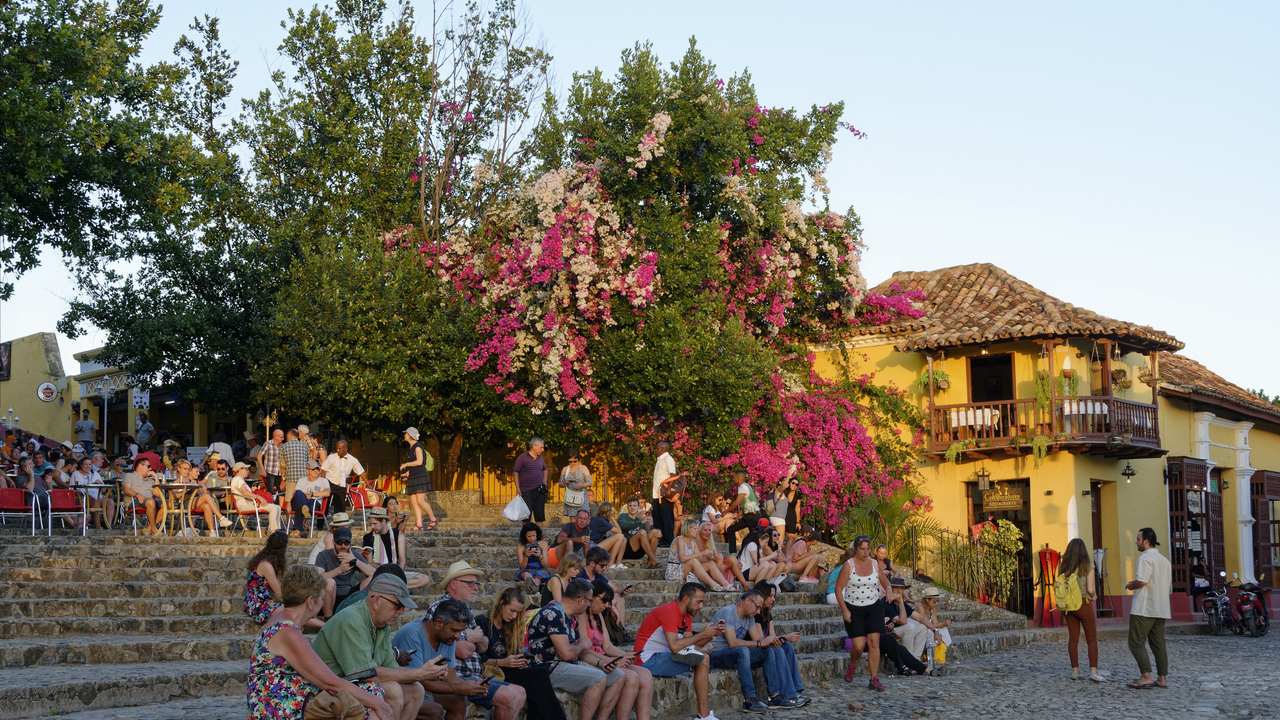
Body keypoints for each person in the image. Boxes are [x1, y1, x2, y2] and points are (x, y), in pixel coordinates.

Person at [247, 564, 395, 720]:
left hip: (283, 697)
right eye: (322, 597)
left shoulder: (282, 621)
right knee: (370, 701)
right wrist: (380, 704)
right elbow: (330, 683)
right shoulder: (287, 632)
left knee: (369, 691)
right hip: (275, 708)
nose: (323, 603)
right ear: (310, 601)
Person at [313, 573, 446, 720]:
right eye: (398, 605)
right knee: (392, 690)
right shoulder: (352, 619)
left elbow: (391, 668)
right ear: (376, 601)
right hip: (326, 691)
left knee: (416, 690)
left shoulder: (382, 624)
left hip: (350, 685)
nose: (401, 612)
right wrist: (420, 673)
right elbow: (365, 673)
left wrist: (427, 671)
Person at [392, 598, 526, 720]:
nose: (458, 636)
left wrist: (471, 686)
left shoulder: (447, 637)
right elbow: (417, 679)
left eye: (461, 631)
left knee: (459, 700)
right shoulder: (411, 634)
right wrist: (459, 688)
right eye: (455, 631)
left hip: (424, 684)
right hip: (406, 686)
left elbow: (450, 676)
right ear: (439, 623)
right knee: (434, 709)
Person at [427, 561, 526, 719]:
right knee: (507, 695)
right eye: (470, 583)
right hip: (457, 677)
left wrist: (477, 638)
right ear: (453, 583)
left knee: (520, 693)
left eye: (476, 583)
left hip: (476, 675)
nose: (476, 588)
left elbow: (483, 645)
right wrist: (474, 638)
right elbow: (463, 651)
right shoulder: (441, 609)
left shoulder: (465, 610)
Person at [526, 577, 626, 720]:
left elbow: (581, 653)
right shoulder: (553, 613)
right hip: (547, 668)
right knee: (598, 679)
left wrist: (600, 663)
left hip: (567, 664)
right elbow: (567, 653)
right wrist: (582, 645)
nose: (590, 605)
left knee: (618, 676)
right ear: (580, 600)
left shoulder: (571, 617)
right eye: (589, 601)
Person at [633, 582, 726, 720]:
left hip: (662, 656)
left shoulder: (686, 615)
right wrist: (702, 634)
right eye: (699, 602)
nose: (701, 606)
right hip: (646, 661)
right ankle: (703, 716)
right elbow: (675, 647)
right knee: (703, 659)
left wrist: (712, 634)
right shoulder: (669, 611)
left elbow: (688, 645)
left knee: (704, 653)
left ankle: (703, 715)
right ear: (687, 599)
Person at [475, 586, 566, 720]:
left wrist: (518, 660)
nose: (514, 616)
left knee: (538, 682)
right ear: (501, 604)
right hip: (493, 672)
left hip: (508, 670)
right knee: (540, 677)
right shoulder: (483, 622)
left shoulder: (508, 626)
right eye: (512, 610)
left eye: (517, 613)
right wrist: (502, 662)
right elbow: (478, 658)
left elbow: (510, 655)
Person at [707, 588, 800, 712]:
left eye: (760, 608)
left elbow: (758, 640)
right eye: (757, 607)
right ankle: (749, 700)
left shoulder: (749, 617)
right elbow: (732, 643)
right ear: (747, 601)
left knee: (768, 652)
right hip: (716, 655)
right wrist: (759, 642)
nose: (758, 611)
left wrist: (776, 641)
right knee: (743, 650)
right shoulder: (728, 612)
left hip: (735, 654)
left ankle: (774, 696)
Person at [579, 580, 652, 720]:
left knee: (646, 674)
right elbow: (584, 651)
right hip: (593, 661)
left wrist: (625, 655)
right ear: (592, 597)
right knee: (631, 677)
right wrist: (612, 660)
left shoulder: (599, 615)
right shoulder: (581, 615)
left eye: (608, 602)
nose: (606, 606)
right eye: (604, 601)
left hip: (604, 657)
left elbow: (607, 646)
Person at [837, 534, 891, 691]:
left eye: (868, 549)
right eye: (862, 549)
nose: (866, 552)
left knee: (874, 642)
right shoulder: (849, 565)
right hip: (854, 608)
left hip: (874, 606)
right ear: (855, 549)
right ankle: (853, 663)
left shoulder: (874, 564)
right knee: (859, 646)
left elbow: (884, 580)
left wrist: (888, 589)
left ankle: (874, 679)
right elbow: (838, 589)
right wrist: (844, 609)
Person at [749, 581, 811, 704]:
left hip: (765, 648)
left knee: (786, 646)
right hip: (755, 650)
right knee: (777, 650)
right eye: (770, 596)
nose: (773, 599)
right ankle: (788, 695)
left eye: (774, 596)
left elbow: (772, 637)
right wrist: (784, 637)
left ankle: (797, 690)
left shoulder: (767, 613)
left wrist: (785, 639)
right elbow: (762, 640)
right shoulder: (754, 614)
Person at [1126, 527, 1171, 689]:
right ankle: (1162, 678)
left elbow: (1142, 581)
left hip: (1144, 608)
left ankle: (1146, 676)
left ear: (1146, 541)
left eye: (1138, 539)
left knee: (1135, 642)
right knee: (1158, 643)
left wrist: (1131, 585)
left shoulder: (1145, 559)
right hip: (1161, 607)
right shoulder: (1165, 560)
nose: (1136, 542)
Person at [1057, 538, 1102, 681]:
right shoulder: (1088, 566)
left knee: (1073, 639)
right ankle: (1093, 672)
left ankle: (1075, 670)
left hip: (1069, 607)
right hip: (1083, 604)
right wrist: (1094, 596)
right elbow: (1090, 589)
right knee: (1092, 639)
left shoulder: (1064, 567)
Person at [362, 507, 430, 590]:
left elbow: (402, 560)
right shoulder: (368, 537)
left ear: (383, 521)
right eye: (371, 524)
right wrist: (387, 570)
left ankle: (392, 585)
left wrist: (397, 573)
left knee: (424, 579)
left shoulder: (398, 535)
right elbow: (370, 563)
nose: (372, 526)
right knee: (373, 580)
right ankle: (395, 586)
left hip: (395, 573)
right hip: (378, 573)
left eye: (375, 524)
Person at [313, 526, 376, 615]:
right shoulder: (324, 555)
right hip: (327, 597)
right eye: (339, 542)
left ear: (350, 543)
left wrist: (355, 561)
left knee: (372, 579)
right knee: (330, 583)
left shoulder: (353, 555)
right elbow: (318, 577)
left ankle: (363, 615)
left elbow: (375, 573)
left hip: (348, 597)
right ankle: (328, 619)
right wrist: (339, 570)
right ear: (333, 542)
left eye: (346, 543)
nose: (343, 546)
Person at [670, 518, 732, 591]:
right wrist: (701, 553)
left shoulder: (693, 542)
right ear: (688, 529)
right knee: (694, 561)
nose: (697, 531)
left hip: (686, 569)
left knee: (710, 563)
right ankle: (714, 585)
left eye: (697, 529)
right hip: (674, 571)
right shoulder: (680, 539)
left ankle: (726, 584)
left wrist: (709, 557)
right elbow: (682, 558)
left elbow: (699, 560)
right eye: (695, 529)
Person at [245, 531, 289, 624]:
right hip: (258, 606)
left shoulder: (262, 561)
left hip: (260, 603)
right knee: (295, 611)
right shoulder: (266, 565)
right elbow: (279, 593)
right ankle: (325, 626)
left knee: (296, 611)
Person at [400, 427, 439, 531]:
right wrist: (407, 474)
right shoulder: (411, 447)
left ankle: (433, 519)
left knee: (420, 501)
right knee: (413, 501)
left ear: (410, 435)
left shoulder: (417, 446)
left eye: (406, 433)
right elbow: (415, 466)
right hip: (413, 476)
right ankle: (419, 525)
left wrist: (406, 464)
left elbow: (419, 462)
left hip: (420, 477)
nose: (404, 435)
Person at [230, 461, 282, 534]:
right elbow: (244, 492)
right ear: (240, 469)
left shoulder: (239, 479)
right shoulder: (238, 478)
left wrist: (252, 490)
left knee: (277, 507)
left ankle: (275, 531)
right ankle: (273, 533)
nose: (247, 471)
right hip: (244, 505)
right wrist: (258, 497)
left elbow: (244, 492)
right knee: (274, 508)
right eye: (246, 469)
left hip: (249, 503)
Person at [696, 520, 749, 589]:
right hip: (705, 568)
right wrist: (717, 566)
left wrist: (735, 563)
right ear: (699, 532)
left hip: (715, 567)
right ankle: (723, 584)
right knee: (719, 558)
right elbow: (697, 562)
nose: (708, 533)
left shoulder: (709, 544)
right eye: (705, 530)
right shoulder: (695, 543)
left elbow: (717, 557)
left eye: (709, 530)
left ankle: (744, 585)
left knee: (732, 559)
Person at [721, 471, 762, 555]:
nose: (733, 479)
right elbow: (745, 506)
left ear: (738, 478)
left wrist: (725, 512)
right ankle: (733, 553)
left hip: (753, 517)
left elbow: (736, 503)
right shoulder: (746, 486)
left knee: (754, 537)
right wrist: (737, 518)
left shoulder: (743, 487)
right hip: (748, 516)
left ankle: (758, 555)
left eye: (734, 477)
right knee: (731, 529)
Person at [322, 439, 366, 516]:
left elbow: (361, 471)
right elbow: (323, 469)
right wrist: (322, 482)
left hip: (341, 484)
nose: (337, 450)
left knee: (341, 507)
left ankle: (339, 524)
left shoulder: (352, 460)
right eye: (337, 448)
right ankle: (320, 525)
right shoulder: (331, 457)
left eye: (339, 448)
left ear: (345, 449)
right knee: (324, 504)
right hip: (329, 482)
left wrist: (367, 483)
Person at [617, 496, 663, 569]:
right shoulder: (622, 517)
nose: (632, 507)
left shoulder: (641, 520)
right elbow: (625, 526)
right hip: (627, 549)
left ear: (638, 507)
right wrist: (640, 522)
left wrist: (659, 535)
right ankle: (654, 561)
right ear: (627, 507)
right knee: (642, 532)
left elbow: (648, 536)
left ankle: (649, 563)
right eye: (630, 506)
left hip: (640, 550)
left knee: (654, 532)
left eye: (634, 506)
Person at [69, 456, 114, 531]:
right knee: (94, 501)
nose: (88, 466)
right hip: (82, 498)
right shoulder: (76, 474)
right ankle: (98, 526)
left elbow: (103, 490)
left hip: (98, 497)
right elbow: (72, 489)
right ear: (81, 465)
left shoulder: (96, 474)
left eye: (89, 464)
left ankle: (108, 526)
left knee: (110, 502)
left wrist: (100, 484)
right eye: (86, 464)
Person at [122, 457, 164, 536]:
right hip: (134, 501)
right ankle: (154, 529)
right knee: (150, 501)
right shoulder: (129, 475)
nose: (150, 468)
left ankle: (148, 528)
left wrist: (156, 478)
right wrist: (138, 495)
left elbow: (158, 494)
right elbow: (126, 490)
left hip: (149, 502)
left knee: (167, 504)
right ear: (140, 466)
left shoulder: (150, 480)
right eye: (148, 466)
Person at [512, 437, 549, 527]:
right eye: (541, 447)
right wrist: (518, 488)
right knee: (526, 517)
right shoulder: (522, 458)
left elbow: (545, 469)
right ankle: (526, 539)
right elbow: (515, 472)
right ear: (534, 446)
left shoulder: (540, 459)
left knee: (540, 517)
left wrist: (544, 481)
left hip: (539, 491)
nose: (543, 450)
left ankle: (539, 538)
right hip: (526, 491)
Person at [650, 442, 681, 546]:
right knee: (657, 517)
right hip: (656, 494)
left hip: (664, 494)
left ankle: (668, 540)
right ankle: (661, 539)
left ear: (662, 449)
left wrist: (668, 490)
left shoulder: (668, 459)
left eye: (657, 448)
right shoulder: (659, 460)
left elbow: (673, 475)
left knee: (666, 516)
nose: (655, 450)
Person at [290, 459, 331, 537]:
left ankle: (298, 530)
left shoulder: (323, 481)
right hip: (301, 501)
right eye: (313, 469)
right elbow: (294, 494)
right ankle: (304, 508)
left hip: (314, 502)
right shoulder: (301, 480)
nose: (316, 470)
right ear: (307, 471)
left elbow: (327, 493)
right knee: (298, 493)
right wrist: (304, 496)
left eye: (317, 468)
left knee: (300, 505)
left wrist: (312, 495)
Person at [588, 503, 627, 569]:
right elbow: (619, 531)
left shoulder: (599, 519)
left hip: (595, 545)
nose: (614, 510)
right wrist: (611, 517)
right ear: (608, 511)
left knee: (624, 539)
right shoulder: (601, 521)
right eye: (612, 509)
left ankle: (618, 563)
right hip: (593, 547)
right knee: (620, 536)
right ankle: (610, 563)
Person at [517, 521, 552, 595]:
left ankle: (532, 588)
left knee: (537, 578)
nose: (532, 538)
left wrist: (540, 556)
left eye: (534, 535)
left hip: (539, 569)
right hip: (527, 569)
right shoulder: (520, 547)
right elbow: (521, 567)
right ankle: (532, 587)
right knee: (526, 575)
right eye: (529, 536)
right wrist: (526, 556)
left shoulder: (543, 544)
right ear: (524, 536)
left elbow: (545, 565)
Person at [279, 428, 310, 508]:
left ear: (289, 435)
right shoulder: (305, 446)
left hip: (290, 477)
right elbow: (308, 463)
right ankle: (305, 521)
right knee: (304, 499)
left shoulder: (284, 446)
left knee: (289, 500)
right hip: (304, 477)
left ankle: (289, 520)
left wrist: (283, 479)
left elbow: (282, 465)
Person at [560, 449, 594, 518]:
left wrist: (581, 485)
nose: (572, 463)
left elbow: (589, 482)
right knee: (572, 517)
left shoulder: (583, 468)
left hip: (581, 497)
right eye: (570, 461)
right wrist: (564, 483)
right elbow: (560, 484)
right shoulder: (565, 469)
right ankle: (573, 529)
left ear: (578, 460)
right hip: (570, 497)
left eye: (574, 461)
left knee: (582, 517)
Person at [259, 428, 283, 495]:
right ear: (276, 437)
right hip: (270, 471)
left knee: (281, 491)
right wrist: (263, 469)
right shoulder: (268, 444)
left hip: (280, 472)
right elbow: (259, 456)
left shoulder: (282, 446)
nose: (283, 438)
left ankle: (279, 505)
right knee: (270, 491)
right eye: (281, 437)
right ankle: (270, 504)